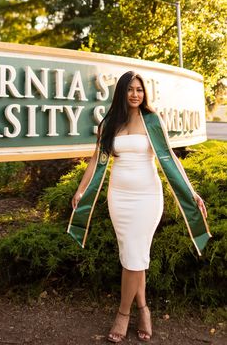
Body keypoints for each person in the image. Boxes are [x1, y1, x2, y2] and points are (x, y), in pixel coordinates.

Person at [68, 71, 209, 343]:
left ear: (145, 93)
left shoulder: (153, 121)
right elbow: (96, 159)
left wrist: (192, 192)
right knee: (133, 255)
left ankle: (123, 314)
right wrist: (81, 189)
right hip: (119, 197)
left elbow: (170, 159)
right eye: (130, 89)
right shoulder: (109, 123)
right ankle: (144, 309)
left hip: (147, 197)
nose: (135, 94)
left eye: (140, 89)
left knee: (134, 255)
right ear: (121, 92)